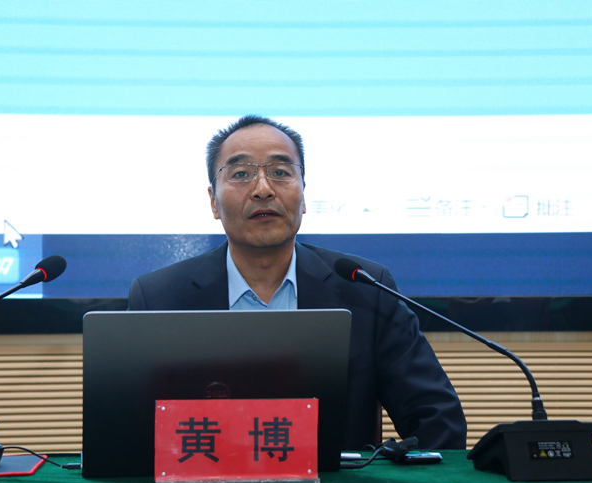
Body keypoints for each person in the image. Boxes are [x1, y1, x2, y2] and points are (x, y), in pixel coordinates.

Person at [128, 115, 467, 450]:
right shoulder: (159, 298)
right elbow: (130, 432)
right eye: (241, 174)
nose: (263, 190)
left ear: (303, 196)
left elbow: (438, 420)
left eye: (280, 172)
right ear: (214, 202)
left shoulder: (365, 289)